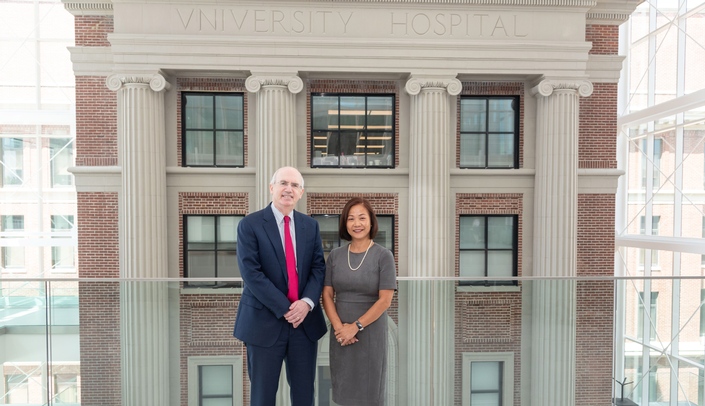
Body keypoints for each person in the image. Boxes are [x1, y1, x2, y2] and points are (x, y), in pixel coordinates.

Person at [233, 166, 327, 406]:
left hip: (303, 325)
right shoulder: (250, 225)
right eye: (284, 183)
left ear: (301, 192)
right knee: (263, 397)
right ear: (271, 187)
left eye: (295, 185)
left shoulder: (310, 226)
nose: (289, 189)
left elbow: (318, 268)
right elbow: (251, 274)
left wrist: (306, 304)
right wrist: (287, 308)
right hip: (264, 323)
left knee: (305, 396)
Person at [321, 197, 397, 406]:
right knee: (343, 392)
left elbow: (385, 300)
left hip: (370, 334)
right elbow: (327, 294)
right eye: (351, 219)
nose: (357, 224)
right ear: (345, 223)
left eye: (362, 218)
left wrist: (355, 327)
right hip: (341, 336)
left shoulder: (384, 256)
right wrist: (340, 328)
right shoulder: (335, 256)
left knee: (370, 394)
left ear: (371, 222)